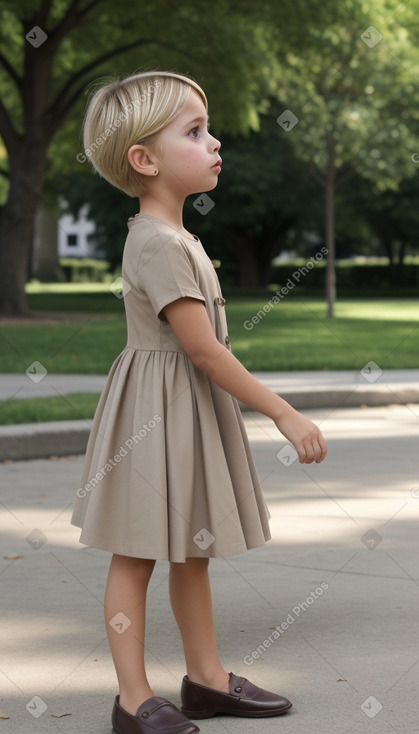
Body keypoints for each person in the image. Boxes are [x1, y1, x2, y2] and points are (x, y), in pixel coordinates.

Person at [71, 70, 327, 734]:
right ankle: (132, 700)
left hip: (180, 410)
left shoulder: (177, 238)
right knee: (136, 553)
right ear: (144, 159)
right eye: (194, 131)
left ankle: (206, 682)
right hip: (156, 416)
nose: (215, 143)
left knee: (192, 550)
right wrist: (282, 410)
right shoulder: (156, 243)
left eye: (208, 128)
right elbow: (205, 351)